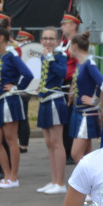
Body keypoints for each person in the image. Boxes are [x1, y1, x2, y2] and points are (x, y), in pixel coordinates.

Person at [0, 24, 33, 189]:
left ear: (1, 38)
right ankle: (6, 175)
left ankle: (13, 177)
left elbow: (28, 74)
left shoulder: (12, 55)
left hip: (10, 100)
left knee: (11, 139)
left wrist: (17, 88)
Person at [35, 27, 68, 195]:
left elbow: (62, 73)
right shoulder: (43, 56)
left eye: (51, 38)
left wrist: (50, 58)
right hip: (44, 100)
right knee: (48, 143)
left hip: (55, 101)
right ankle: (54, 180)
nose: (47, 41)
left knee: (56, 142)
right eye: (45, 38)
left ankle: (61, 182)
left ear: (57, 41)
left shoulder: (60, 56)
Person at [67, 31, 103, 167]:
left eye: (70, 46)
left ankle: (91, 179)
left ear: (75, 46)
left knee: (76, 153)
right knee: (88, 154)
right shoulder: (80, 64)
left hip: (86, 113)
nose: (69, 49)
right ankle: (91, 184)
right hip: (79, 111)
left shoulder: (89, 63)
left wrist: (95, 100)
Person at [57, 12, 81, 164]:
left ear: (73, 26)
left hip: (72, 84)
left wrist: (73, 86)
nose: (62, 26)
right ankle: (65, 150)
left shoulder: (77, 42)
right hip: (62, 84)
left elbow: (78, 65)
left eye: (65, 24)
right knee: (64, 120)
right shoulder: (64, 43)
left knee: (71, 120)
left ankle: (72, 151)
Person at [15, 29, 34, 153]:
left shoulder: (29, 53)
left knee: (23, 117)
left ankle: (23, 144)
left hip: (25, 88)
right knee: (19, 116)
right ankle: (21, 142)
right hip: (20, 86)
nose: (19, 42)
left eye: (22, 40)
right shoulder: (18, 52)